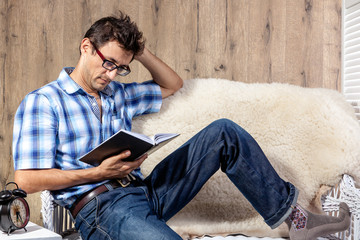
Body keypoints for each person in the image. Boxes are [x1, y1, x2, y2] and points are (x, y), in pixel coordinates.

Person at [12, 11, 350, 240]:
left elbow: (173, 84)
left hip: (146, 192)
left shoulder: (118, 94)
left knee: (223, 133)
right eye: (109, 63)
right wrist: (99, 173)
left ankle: (298, 222)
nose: (112, 74)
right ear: (87, 47)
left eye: (121, 68)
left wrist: (140, 53)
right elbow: (26, 180)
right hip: (99, 208)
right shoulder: (45, 102)